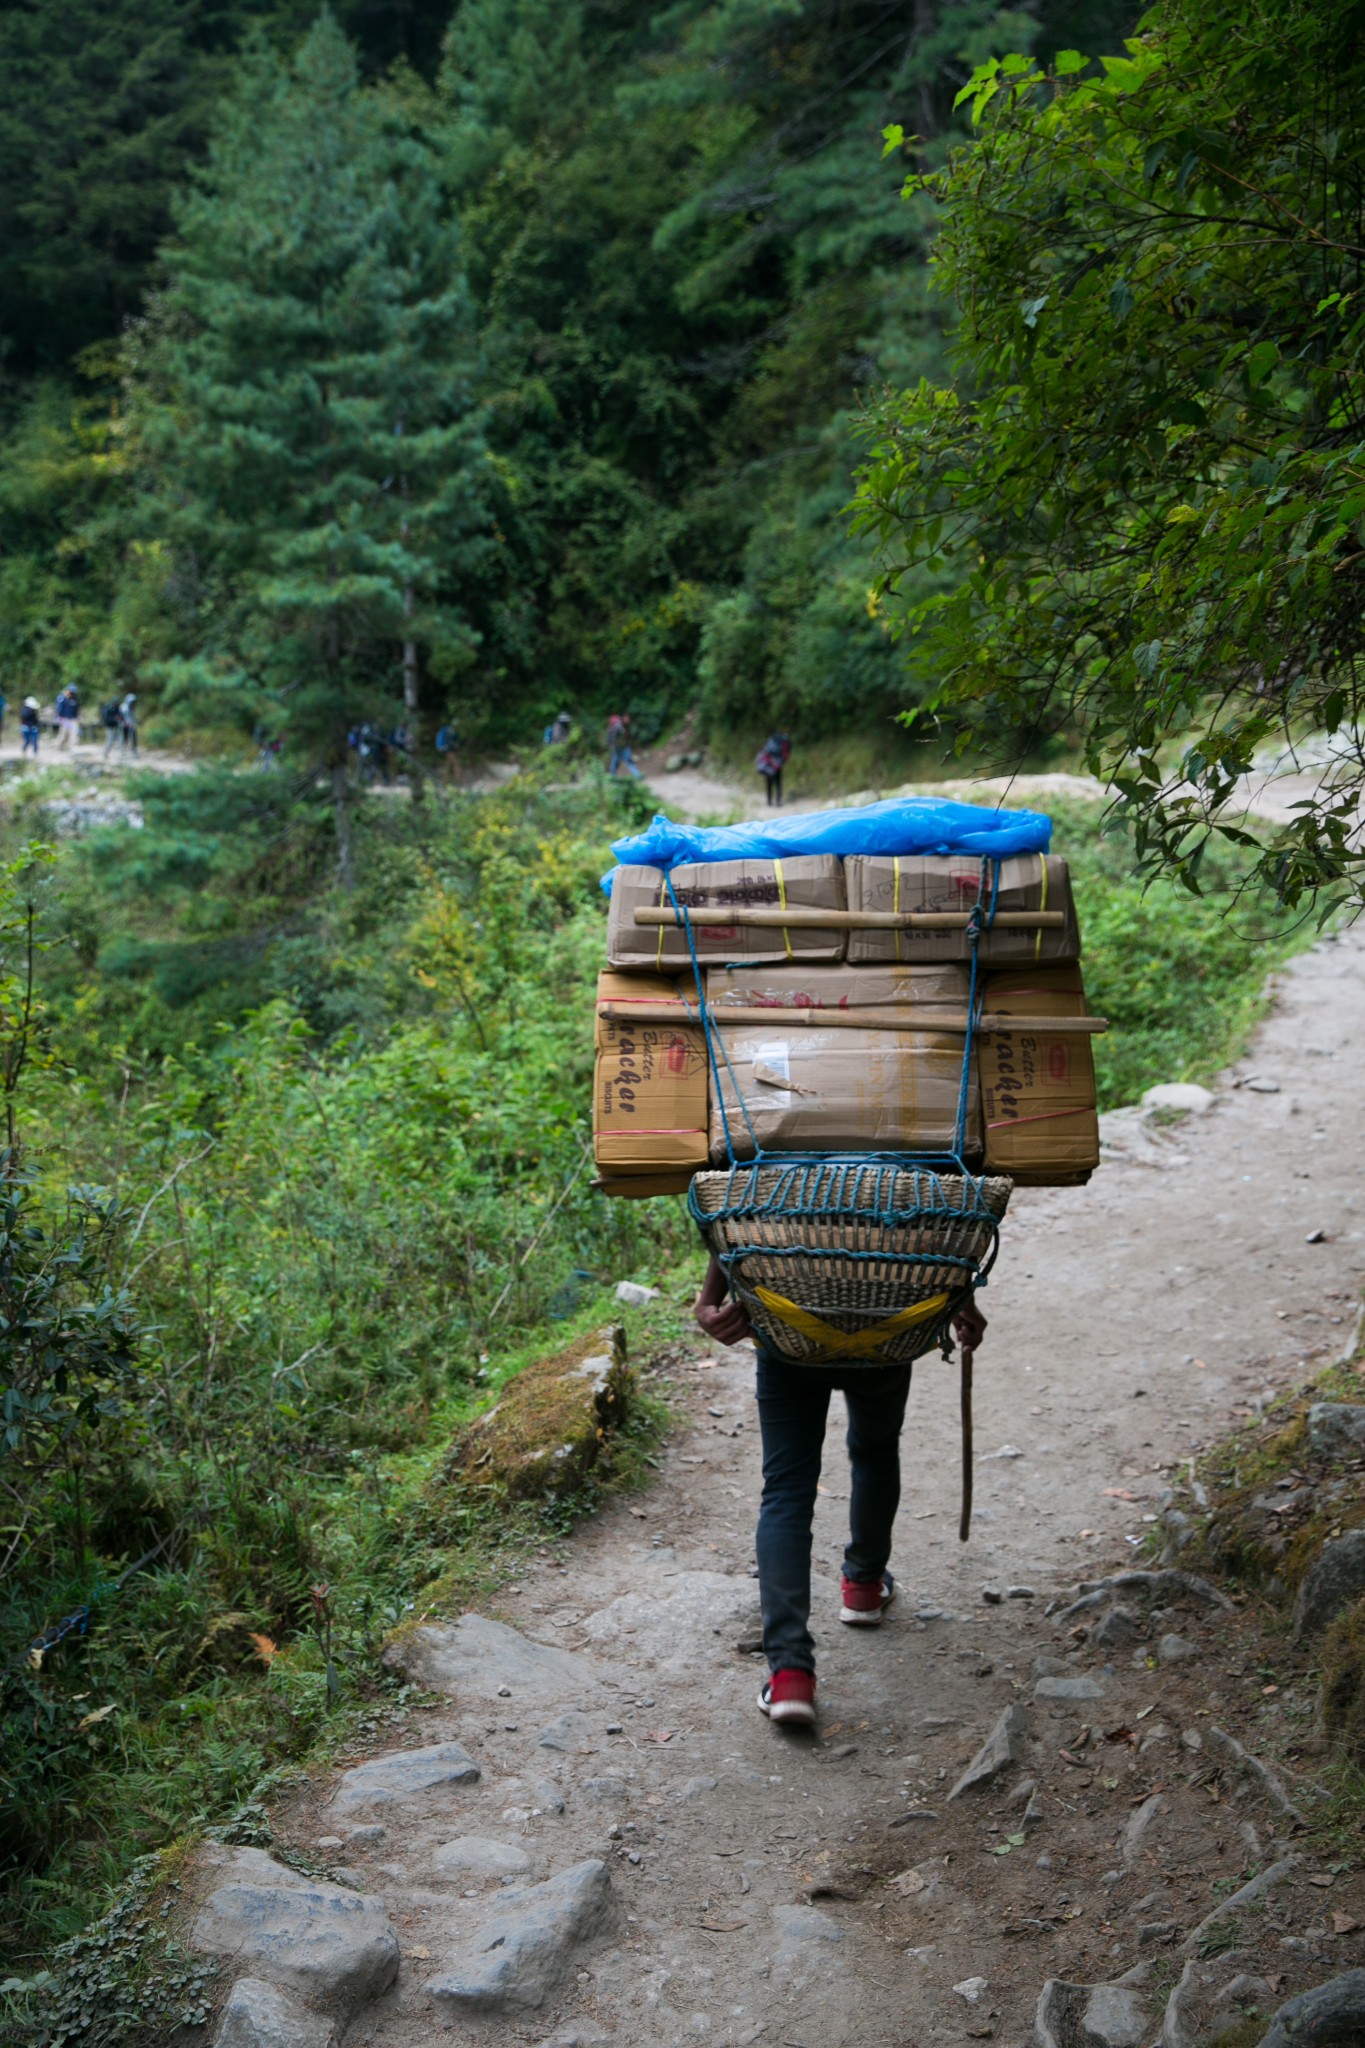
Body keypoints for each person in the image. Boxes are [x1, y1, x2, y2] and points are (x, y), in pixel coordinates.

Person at [694, 1255, 987, 1726]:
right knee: (875, 1450)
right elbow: (945, 1216)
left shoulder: (759, 1175)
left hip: (787, 1327)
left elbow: (730, 1202)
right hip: (886, 1328)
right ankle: (864, 1587)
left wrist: (710, 1298)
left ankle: (790, 1674)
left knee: (787, 1490)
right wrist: (960, 1299)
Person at [756, 731, 792, 807]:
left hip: (768, 764)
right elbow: (785, 755)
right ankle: (778, 802)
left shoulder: (771, 741)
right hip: (777, 765)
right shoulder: (782, 743)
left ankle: (769, 801)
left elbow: (765, 751)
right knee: (778, 783)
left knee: (769, 783)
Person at [606, 712, 642, 779]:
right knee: (615, 763)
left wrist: (629, 746)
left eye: (629, 719)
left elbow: (628, 737)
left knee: (627, 761)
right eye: (627, 718)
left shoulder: (627, 726)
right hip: (617, 748)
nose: (629, 720)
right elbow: (613, 737)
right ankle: (612, 778)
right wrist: (612, 746)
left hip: (624, 747)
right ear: (623, 718)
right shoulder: (619, 726)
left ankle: (637, 775)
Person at [55, 684, 80, 749]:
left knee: (73, 734)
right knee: (64, 734)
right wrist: (59, 718)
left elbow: (76, 709)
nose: (72, 694)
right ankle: (60, 746)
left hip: (73, 719)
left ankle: (72, 748)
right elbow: (59, 709)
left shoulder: (75, 699)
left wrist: (77, 717)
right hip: (64, 719)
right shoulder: (62, 698)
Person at [118, 692, 138, 757]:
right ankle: (122, 752)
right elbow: (122, 717)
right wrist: (125, 722)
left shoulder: (132, 707)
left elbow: (132, 716)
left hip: (131, 725)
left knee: (133, 739)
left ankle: (134, 752)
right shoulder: (123, 707)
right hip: (124, 726)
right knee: (124, 739)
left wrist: (133, 723)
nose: (133, 703)